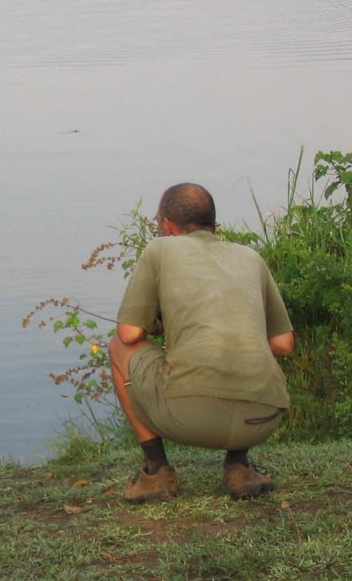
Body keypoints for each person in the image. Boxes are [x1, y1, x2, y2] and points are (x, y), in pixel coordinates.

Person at [109, 183, 295, 503]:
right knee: (250, 347)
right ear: (213, 223)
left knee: (117, 348)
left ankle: (156, 473)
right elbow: (283, 344)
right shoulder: (250, 257)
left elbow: (128, 334)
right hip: (262, 420)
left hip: (188, 418)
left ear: (167, 223)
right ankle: (238, 466)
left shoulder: (160, 249)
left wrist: (158, 326)